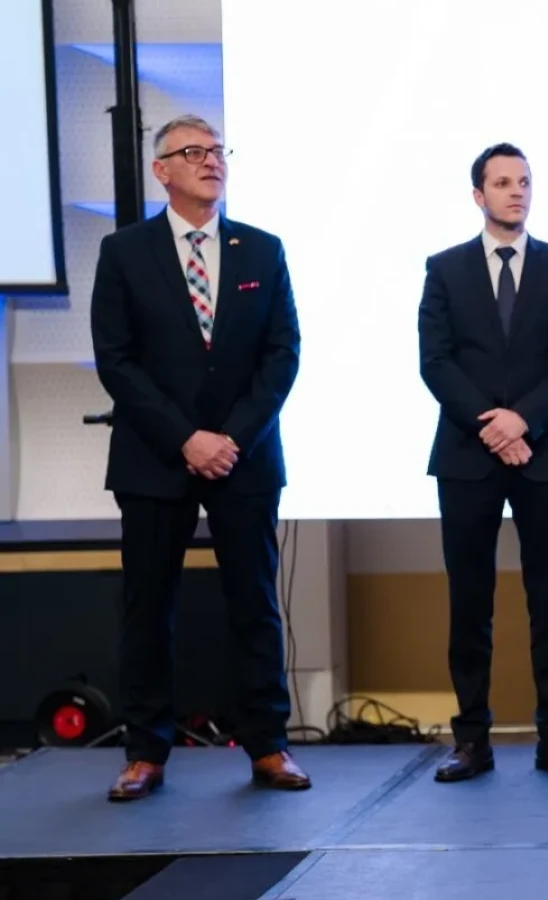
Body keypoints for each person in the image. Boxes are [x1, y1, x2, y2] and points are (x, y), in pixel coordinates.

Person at [89, 114, 306, 800]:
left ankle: (268, 745)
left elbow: (282, 354)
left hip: (245, 455)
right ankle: (145, 752)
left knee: (255, 603)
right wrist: (186, 438)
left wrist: (230, 437)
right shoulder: (124, 252)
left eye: (217, 151)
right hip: (156, 456)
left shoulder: (262, 250)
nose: (211, 161)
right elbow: (117, 361)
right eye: (193, 152)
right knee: (148, 606)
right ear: (162, 171)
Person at [418, 143, 548, 781]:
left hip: (544, 453)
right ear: (479, 195)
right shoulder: (445, 269)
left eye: (523, 181)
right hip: (466, 458)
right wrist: (491, 427)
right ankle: (471, 740)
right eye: (501, 182)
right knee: (470, 604)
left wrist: (524, 421)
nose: (516, 191)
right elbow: (435, 361)